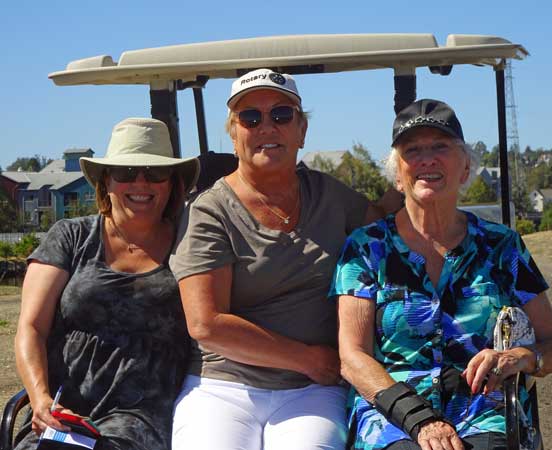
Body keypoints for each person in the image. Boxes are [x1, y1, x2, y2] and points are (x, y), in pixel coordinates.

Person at [169, 68, 400, 450]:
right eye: (250, 117)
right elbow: (206, 324)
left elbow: (385, 224)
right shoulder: (211, 211)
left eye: (281, 115)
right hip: (224, 386)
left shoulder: (329, 195)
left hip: (310, 391)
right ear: (233, 131)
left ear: (301, 130)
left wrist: (414, 177)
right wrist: (308, 359)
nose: (266, 127)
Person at [330, 99, 552, 450]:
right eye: (412, 150)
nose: (427, 159)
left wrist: (519, 357)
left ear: (465, 166)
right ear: (397, 174)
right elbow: (353, 358)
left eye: (440, 147)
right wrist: (420, 421)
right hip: (393, 416)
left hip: (484, 410)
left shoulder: (502, 246)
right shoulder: (366, 248)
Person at [14, 118, 200, 450]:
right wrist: (40, 399)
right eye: (127, 171)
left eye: (154, 172)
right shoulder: (71, 237)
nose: (140, 182)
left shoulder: (191, 243)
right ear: (106, 181)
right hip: (64, 406)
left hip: (144, 413)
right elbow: (31, 327)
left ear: (172, 183)